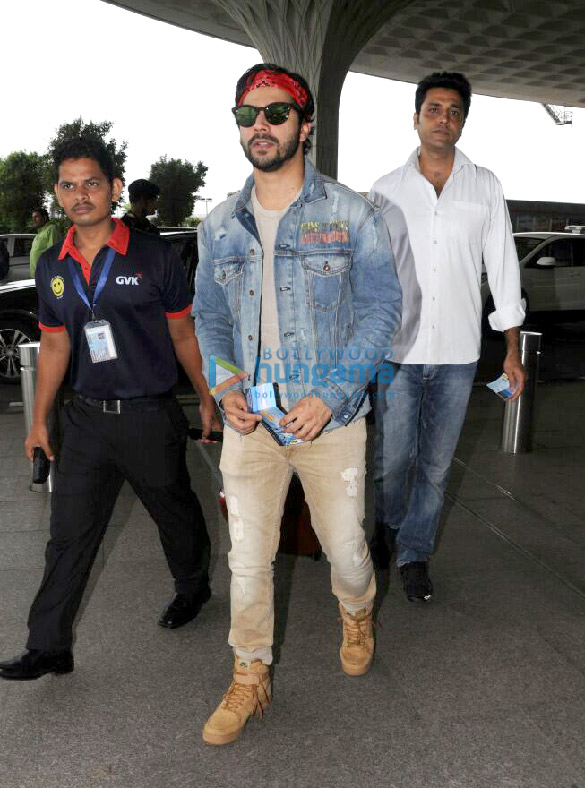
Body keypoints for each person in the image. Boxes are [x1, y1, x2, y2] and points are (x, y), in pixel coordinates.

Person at [193, 63, 401, 746]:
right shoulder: (220, 223)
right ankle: (249, 676)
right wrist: (224, 386)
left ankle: (357, 609)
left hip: (330, 420)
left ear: (305, 126)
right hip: (250, 424)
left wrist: (330, 394)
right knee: (247, 561)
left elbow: (380, 313)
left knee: (345, 551)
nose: (260, 126)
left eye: (276, 114)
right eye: (246, 115)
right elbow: (210, 319)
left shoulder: (351, 213)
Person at [0, 136, 218, 682]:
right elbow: (54, 345)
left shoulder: (152, 255)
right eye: (69, 186)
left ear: (114, 188)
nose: (81, 195)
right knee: (68, 534)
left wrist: (210, 398)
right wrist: (39, 422)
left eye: (91, 183)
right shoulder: (53, 262)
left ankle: (192, 587)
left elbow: (183, 333)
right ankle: (49, 644)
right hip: (86, 420)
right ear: (57, 194)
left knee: (176, 514)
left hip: (148, 415)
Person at [368, 72, 526, 602]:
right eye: (434, 109)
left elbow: (503, 267)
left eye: (454, 111)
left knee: (435, 466)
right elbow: (369, 274)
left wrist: (511, 351)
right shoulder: (385, 191)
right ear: (415, 118)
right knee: (392, 462)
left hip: (459, 353)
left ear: (463, 121)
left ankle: (413, 553)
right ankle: (389, 526)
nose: (444, 119)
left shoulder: (485, 185)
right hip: (397, 351)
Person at [30, 207, 61, 276]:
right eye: (33, 218)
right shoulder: (40, 232)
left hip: (45, 274)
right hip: (37, 274)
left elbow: (53, 253)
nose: (34, 220)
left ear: (44, 218)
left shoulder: (52, 229)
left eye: (36, 217)